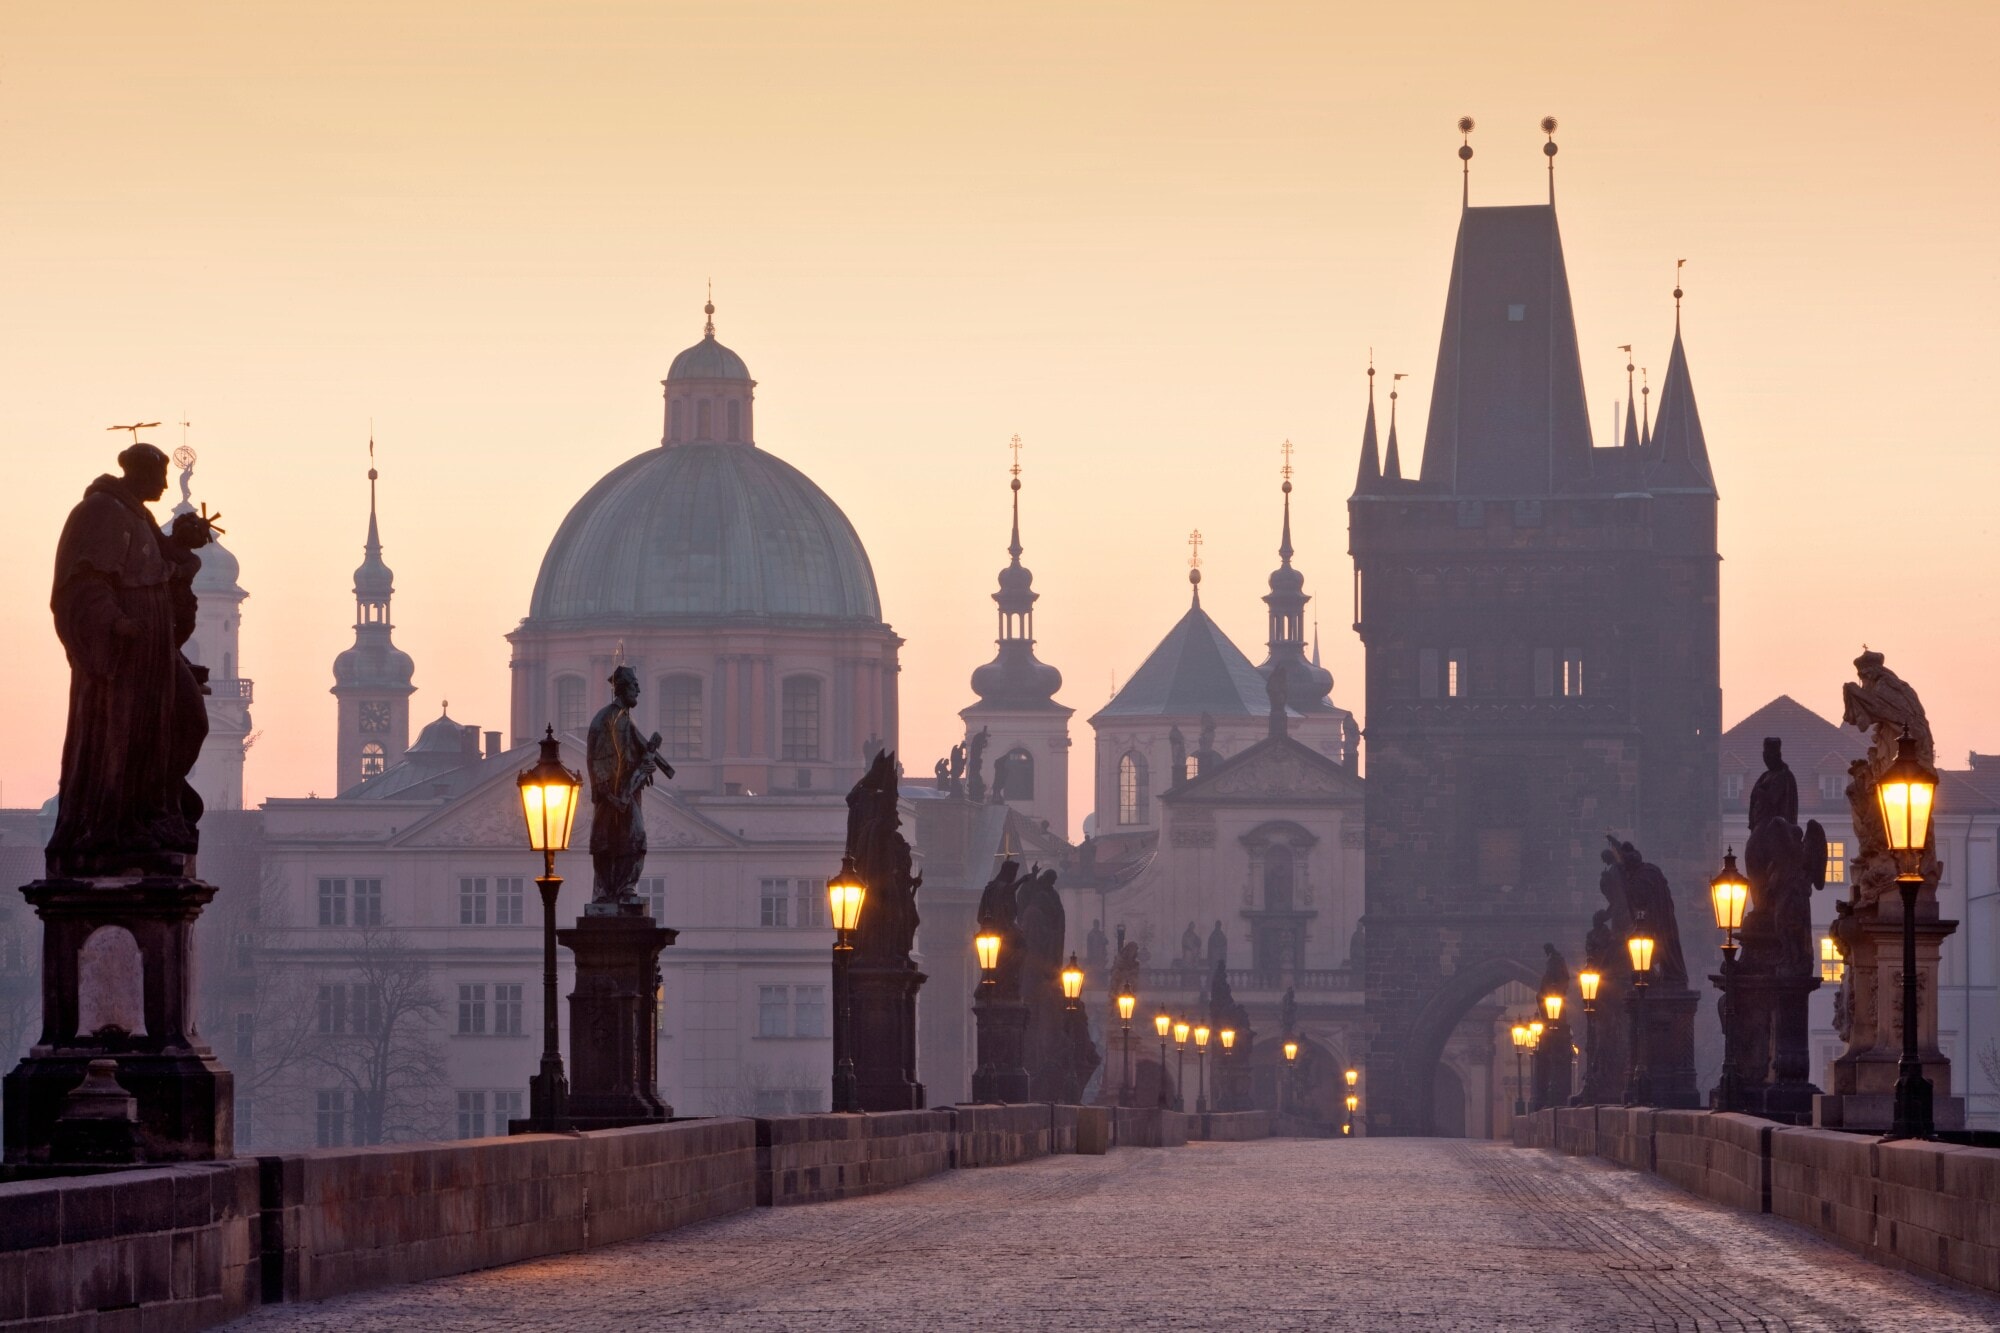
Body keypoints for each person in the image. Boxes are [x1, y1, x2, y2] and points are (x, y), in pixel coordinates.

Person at [47, 443, 213, 876]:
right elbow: (81, 582)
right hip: (124, 656)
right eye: (159, 476)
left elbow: (165, 569)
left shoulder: (139, 517)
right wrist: (116, 623)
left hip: (154, 650)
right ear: (139, 472)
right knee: (125, 736)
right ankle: (122, 823)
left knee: (188, 720)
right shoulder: (100, 512)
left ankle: (156, 811)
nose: (163, 484)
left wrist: (182, 542)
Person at [587, 666, 672, 909]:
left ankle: (625, 889)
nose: (639, 690)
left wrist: (644, 770)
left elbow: (631, 753)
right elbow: (599, 759)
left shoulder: (625, 718)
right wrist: (610, 794)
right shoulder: (607, 719)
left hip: (626, 792)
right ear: (622, 687)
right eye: (635, 685)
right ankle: (606, 893)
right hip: (612, 795)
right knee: (607, 842)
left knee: (634, 839)